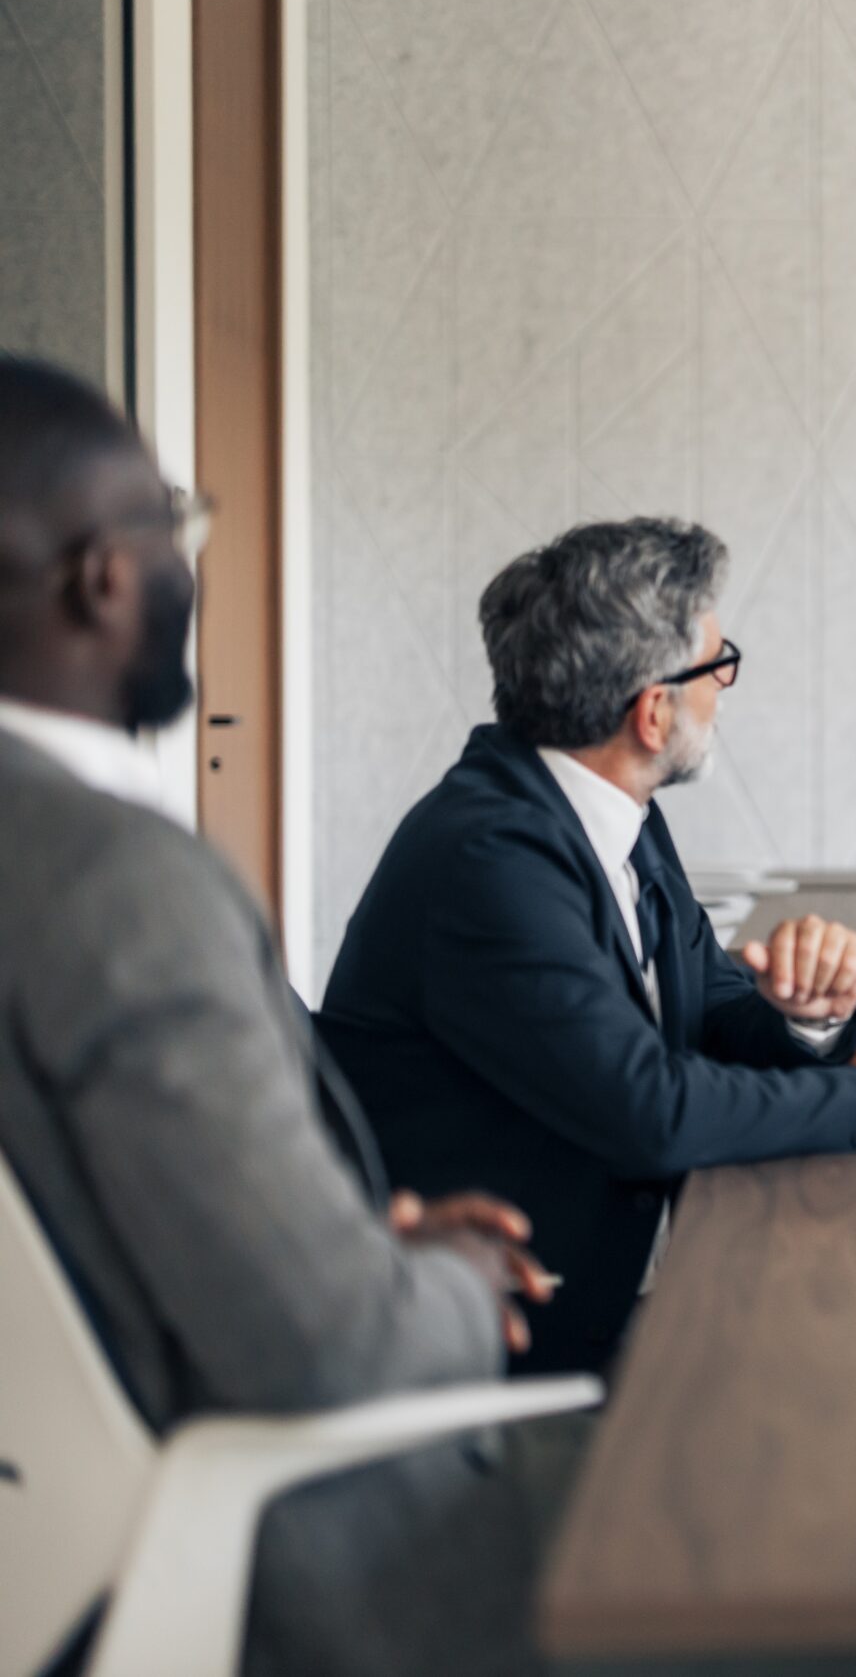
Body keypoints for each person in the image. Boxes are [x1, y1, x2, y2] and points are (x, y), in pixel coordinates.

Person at [0, 355, 575, 1675]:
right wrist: (454, 1280)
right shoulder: (119, 886)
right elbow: (331, 1347)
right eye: (176, 528)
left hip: (47, 1561)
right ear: (102, 575)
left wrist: (352, 1236)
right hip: (283, 1575)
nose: (189, 569)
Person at [319, 518, 856, 1376]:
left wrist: (807, 1018)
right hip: (516, 1328)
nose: (725, 686)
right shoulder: (488, 857)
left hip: (628, 1285)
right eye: (717, 666)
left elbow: (712, 1007)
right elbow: (650, 1111)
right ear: (653, 711)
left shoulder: (611, 813)